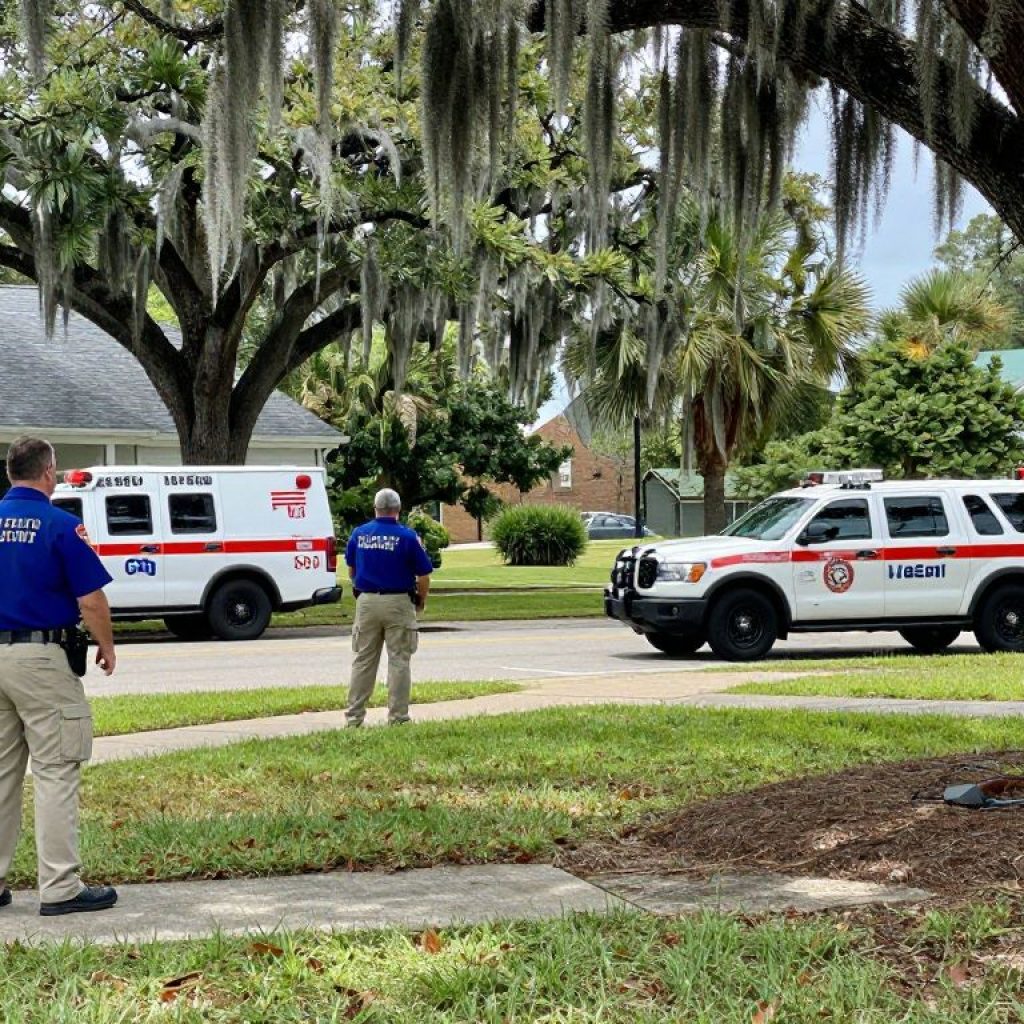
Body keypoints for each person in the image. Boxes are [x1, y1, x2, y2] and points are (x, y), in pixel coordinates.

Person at [0, 437, 118, 916]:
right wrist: (106, 646)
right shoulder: (62, 526)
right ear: (49, 472)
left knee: (1, 773)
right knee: (55, 769)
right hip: (41, 659)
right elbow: (91, 600)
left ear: (10, 472)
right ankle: (60, 886)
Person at [345, 488, 434, 727]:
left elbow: (351, 568)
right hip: (398, 602)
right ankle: (398, 717)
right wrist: (421, 599)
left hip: (366, 601)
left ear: (375, 508)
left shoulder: (359, 534)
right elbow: (424, 575)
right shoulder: (407, 537)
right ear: (398, 509)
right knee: (399, 660)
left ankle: (354, 717)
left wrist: (360, 588)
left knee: (363, 660)